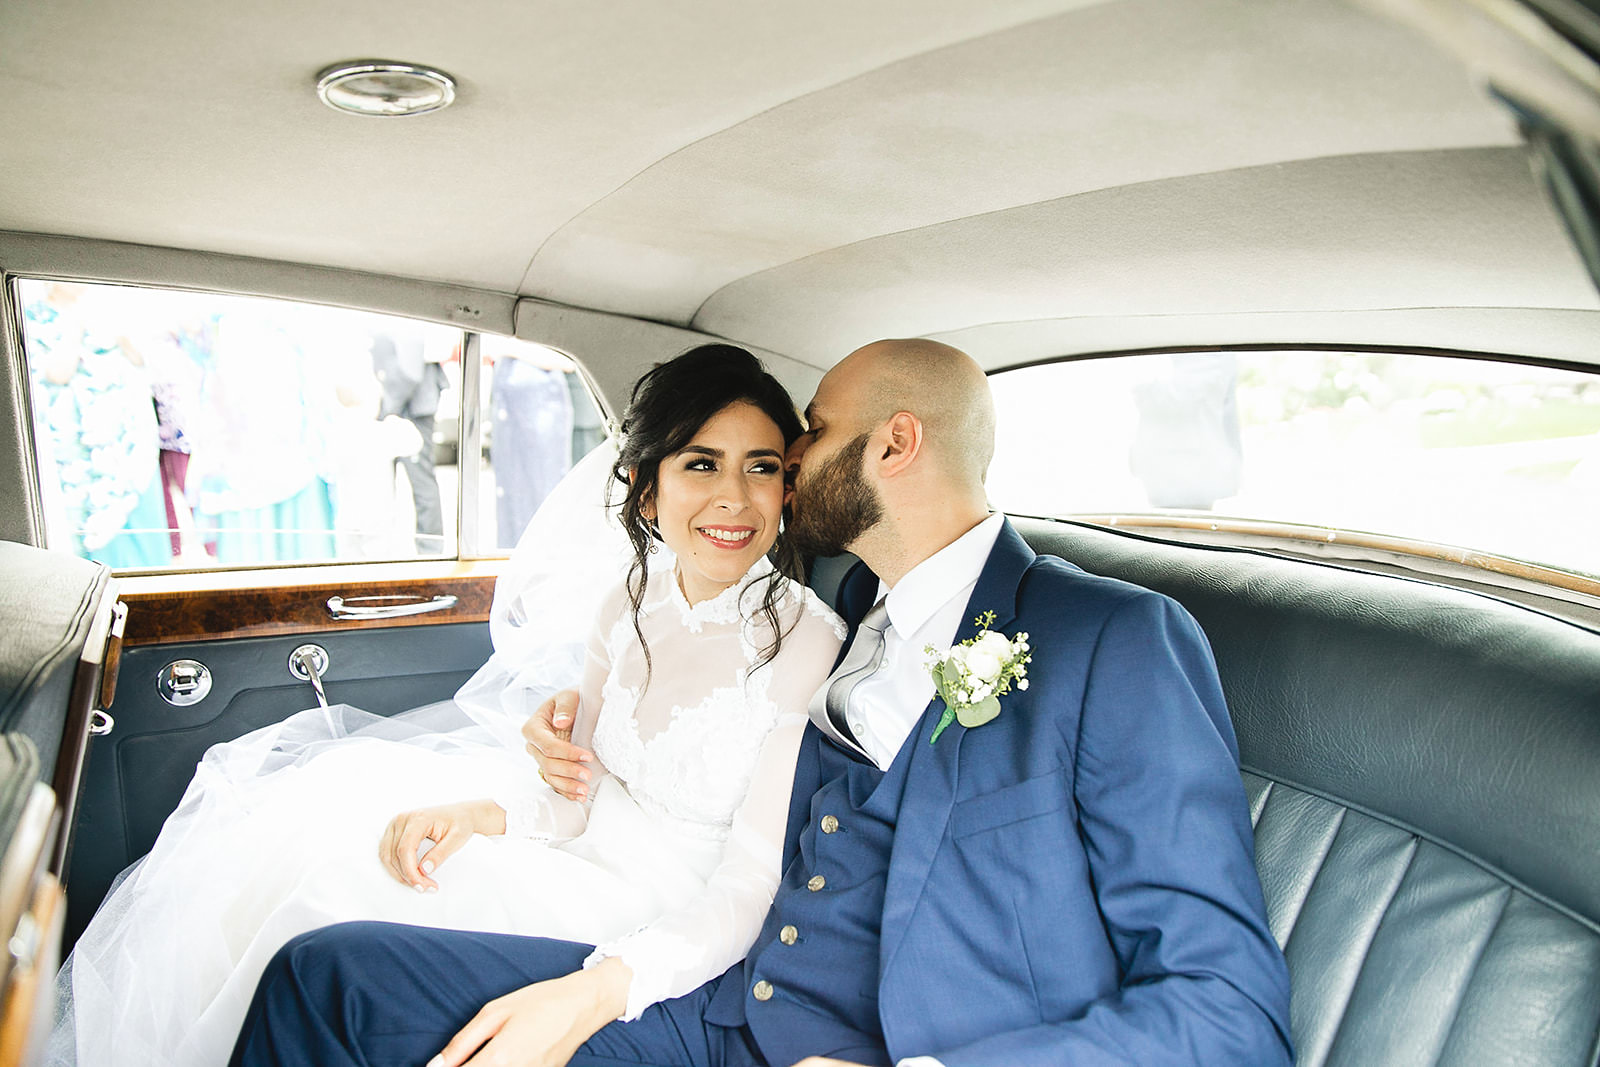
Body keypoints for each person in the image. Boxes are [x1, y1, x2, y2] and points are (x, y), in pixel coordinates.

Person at [234, 337, 1294, 1066]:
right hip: (725, 1003)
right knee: (329, 978)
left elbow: (1226, 1011)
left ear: (896, 444)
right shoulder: (860, 613)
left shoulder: (1111, 638)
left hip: (890, 1037)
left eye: (811, 433)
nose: (787, 461)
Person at [50, 344, 844, 1067]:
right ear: (647, 491)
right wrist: (479, 814)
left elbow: (750, 888)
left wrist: (610, 982)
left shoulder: (805, 641)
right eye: (702, 465)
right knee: (333, 870)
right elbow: (578, 796)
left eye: (761, 467)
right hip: (579, 856)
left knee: (332, 915)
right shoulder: (625, 603)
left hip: (664, 915)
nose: (734, 499)